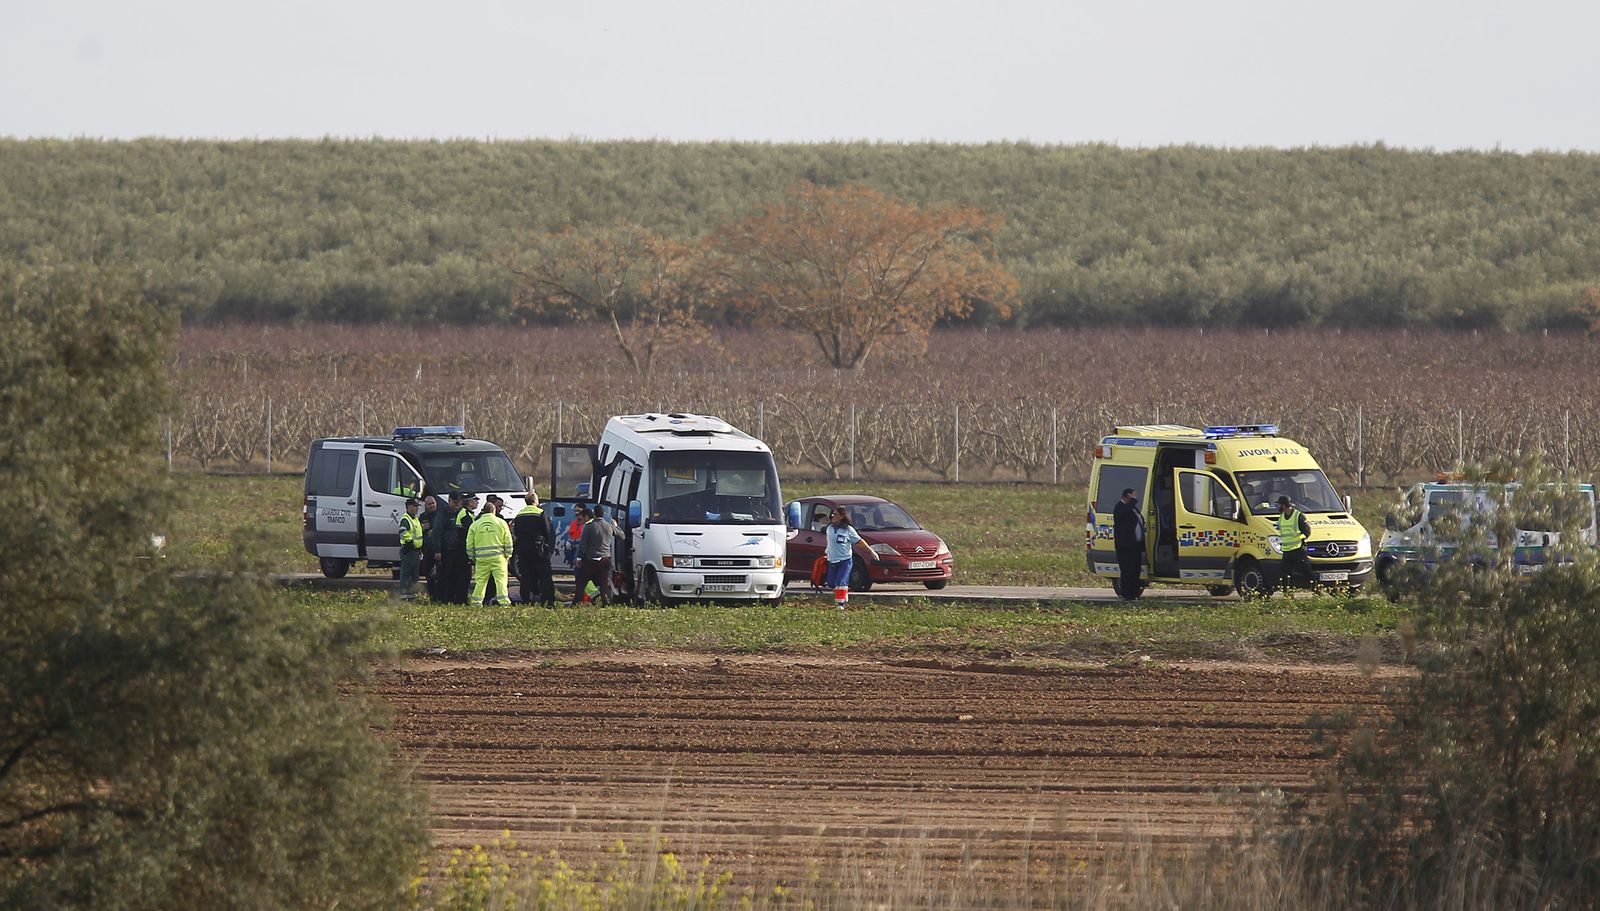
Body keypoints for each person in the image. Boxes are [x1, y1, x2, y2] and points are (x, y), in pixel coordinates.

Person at [572, 504, 625, 606]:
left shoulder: (589, 527)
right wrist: (616, 525)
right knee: (604, 583)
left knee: (582, 583)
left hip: (591, 560)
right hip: (605, 559)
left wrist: (579, 558)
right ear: (603, 514)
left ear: (594, 514)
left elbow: (583, 544)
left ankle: (575, 603)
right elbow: (622, 536)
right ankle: (605, 603)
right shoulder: (609, 526)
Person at [467, 494, 514, 606]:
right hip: (498, 558)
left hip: (481, 559)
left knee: (481, 582)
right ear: (493, 511)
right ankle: (504, 603)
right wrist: (508, 555)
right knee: (501, 581)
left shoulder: (475, 524)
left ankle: (476, 602)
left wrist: (473, 557)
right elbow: (508, 541)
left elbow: (469, 544)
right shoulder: (501, 523)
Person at [513, 488, 556, 606]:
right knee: (544, 576)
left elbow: (516, 532)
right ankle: (548, 601)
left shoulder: (519, 514)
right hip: (537, 548)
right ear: (535, 501)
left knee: (526, 576)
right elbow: (547, 531)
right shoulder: (540, 513)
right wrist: (548, 549)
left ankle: (526, 600)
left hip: (523, 548)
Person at [824, 506, 863, 610]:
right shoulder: (829, 528)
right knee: (832, 583)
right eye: (832, 514)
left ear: (841, 516)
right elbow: (829, 542)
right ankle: (843, 594)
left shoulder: (848, 530)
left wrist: (871, 552)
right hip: (832, 559)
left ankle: (840, 604)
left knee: (841, 581)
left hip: (845, 560)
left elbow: (859, 541)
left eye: (836, 515)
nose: (833, 516)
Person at [1112, 488, 1146, 601]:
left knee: (1135, 570)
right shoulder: (1120, 507)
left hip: (1135, 545)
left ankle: (1135, 594)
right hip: (1125, 546)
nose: (1135, 498)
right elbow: (1123, 513)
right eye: (1133, 495)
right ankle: (1126, 594)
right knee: (1127, 570)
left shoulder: (1132, 507)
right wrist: (1132, 502)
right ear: (1127, 495)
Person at [447, 492, 479, 604]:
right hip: (462, 550)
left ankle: (461, 599)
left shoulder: (468, 514)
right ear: (470, 502)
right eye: (475, 500)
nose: (477, 502)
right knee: (463, 577)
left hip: (462, 549)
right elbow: (469, 534)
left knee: (464, 576)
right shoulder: (465, 515)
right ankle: (461, 600)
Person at [1276, 495, 1313, 590]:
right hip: (1287, 551)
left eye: (1279, 504)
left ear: (1284, 505)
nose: (1278, 507)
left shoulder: (1299, 516)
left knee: (1307, 572)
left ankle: (1317, 590)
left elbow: (1307, 531)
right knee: (1286, 575)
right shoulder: (1281, 517)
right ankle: (1288, 594)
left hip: (1298, 550)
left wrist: (1302, 540)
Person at [396, 497, 424, 600]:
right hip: (409, 551)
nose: (416, 509)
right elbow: (403, 531)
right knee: (406, 575)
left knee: (414, 575)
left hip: (416, 551)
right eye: (414, 506)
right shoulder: (406, 519)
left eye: (417, 506)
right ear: (408, 507)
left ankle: (411, 596)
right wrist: (409, 542)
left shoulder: (415, 519)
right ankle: (403, 596)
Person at [419, 494, 440, 600]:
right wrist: (422, 528)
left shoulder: (440, 515)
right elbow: (416, 532)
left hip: (439, 550)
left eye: (433, 503)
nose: (432, 505)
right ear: (425, 506)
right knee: (429, 576)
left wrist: (435, 531)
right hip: (427, 550)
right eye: (429, 504)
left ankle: (440, 596)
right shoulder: (422, 517)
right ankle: (433, 597)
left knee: (440, 575)